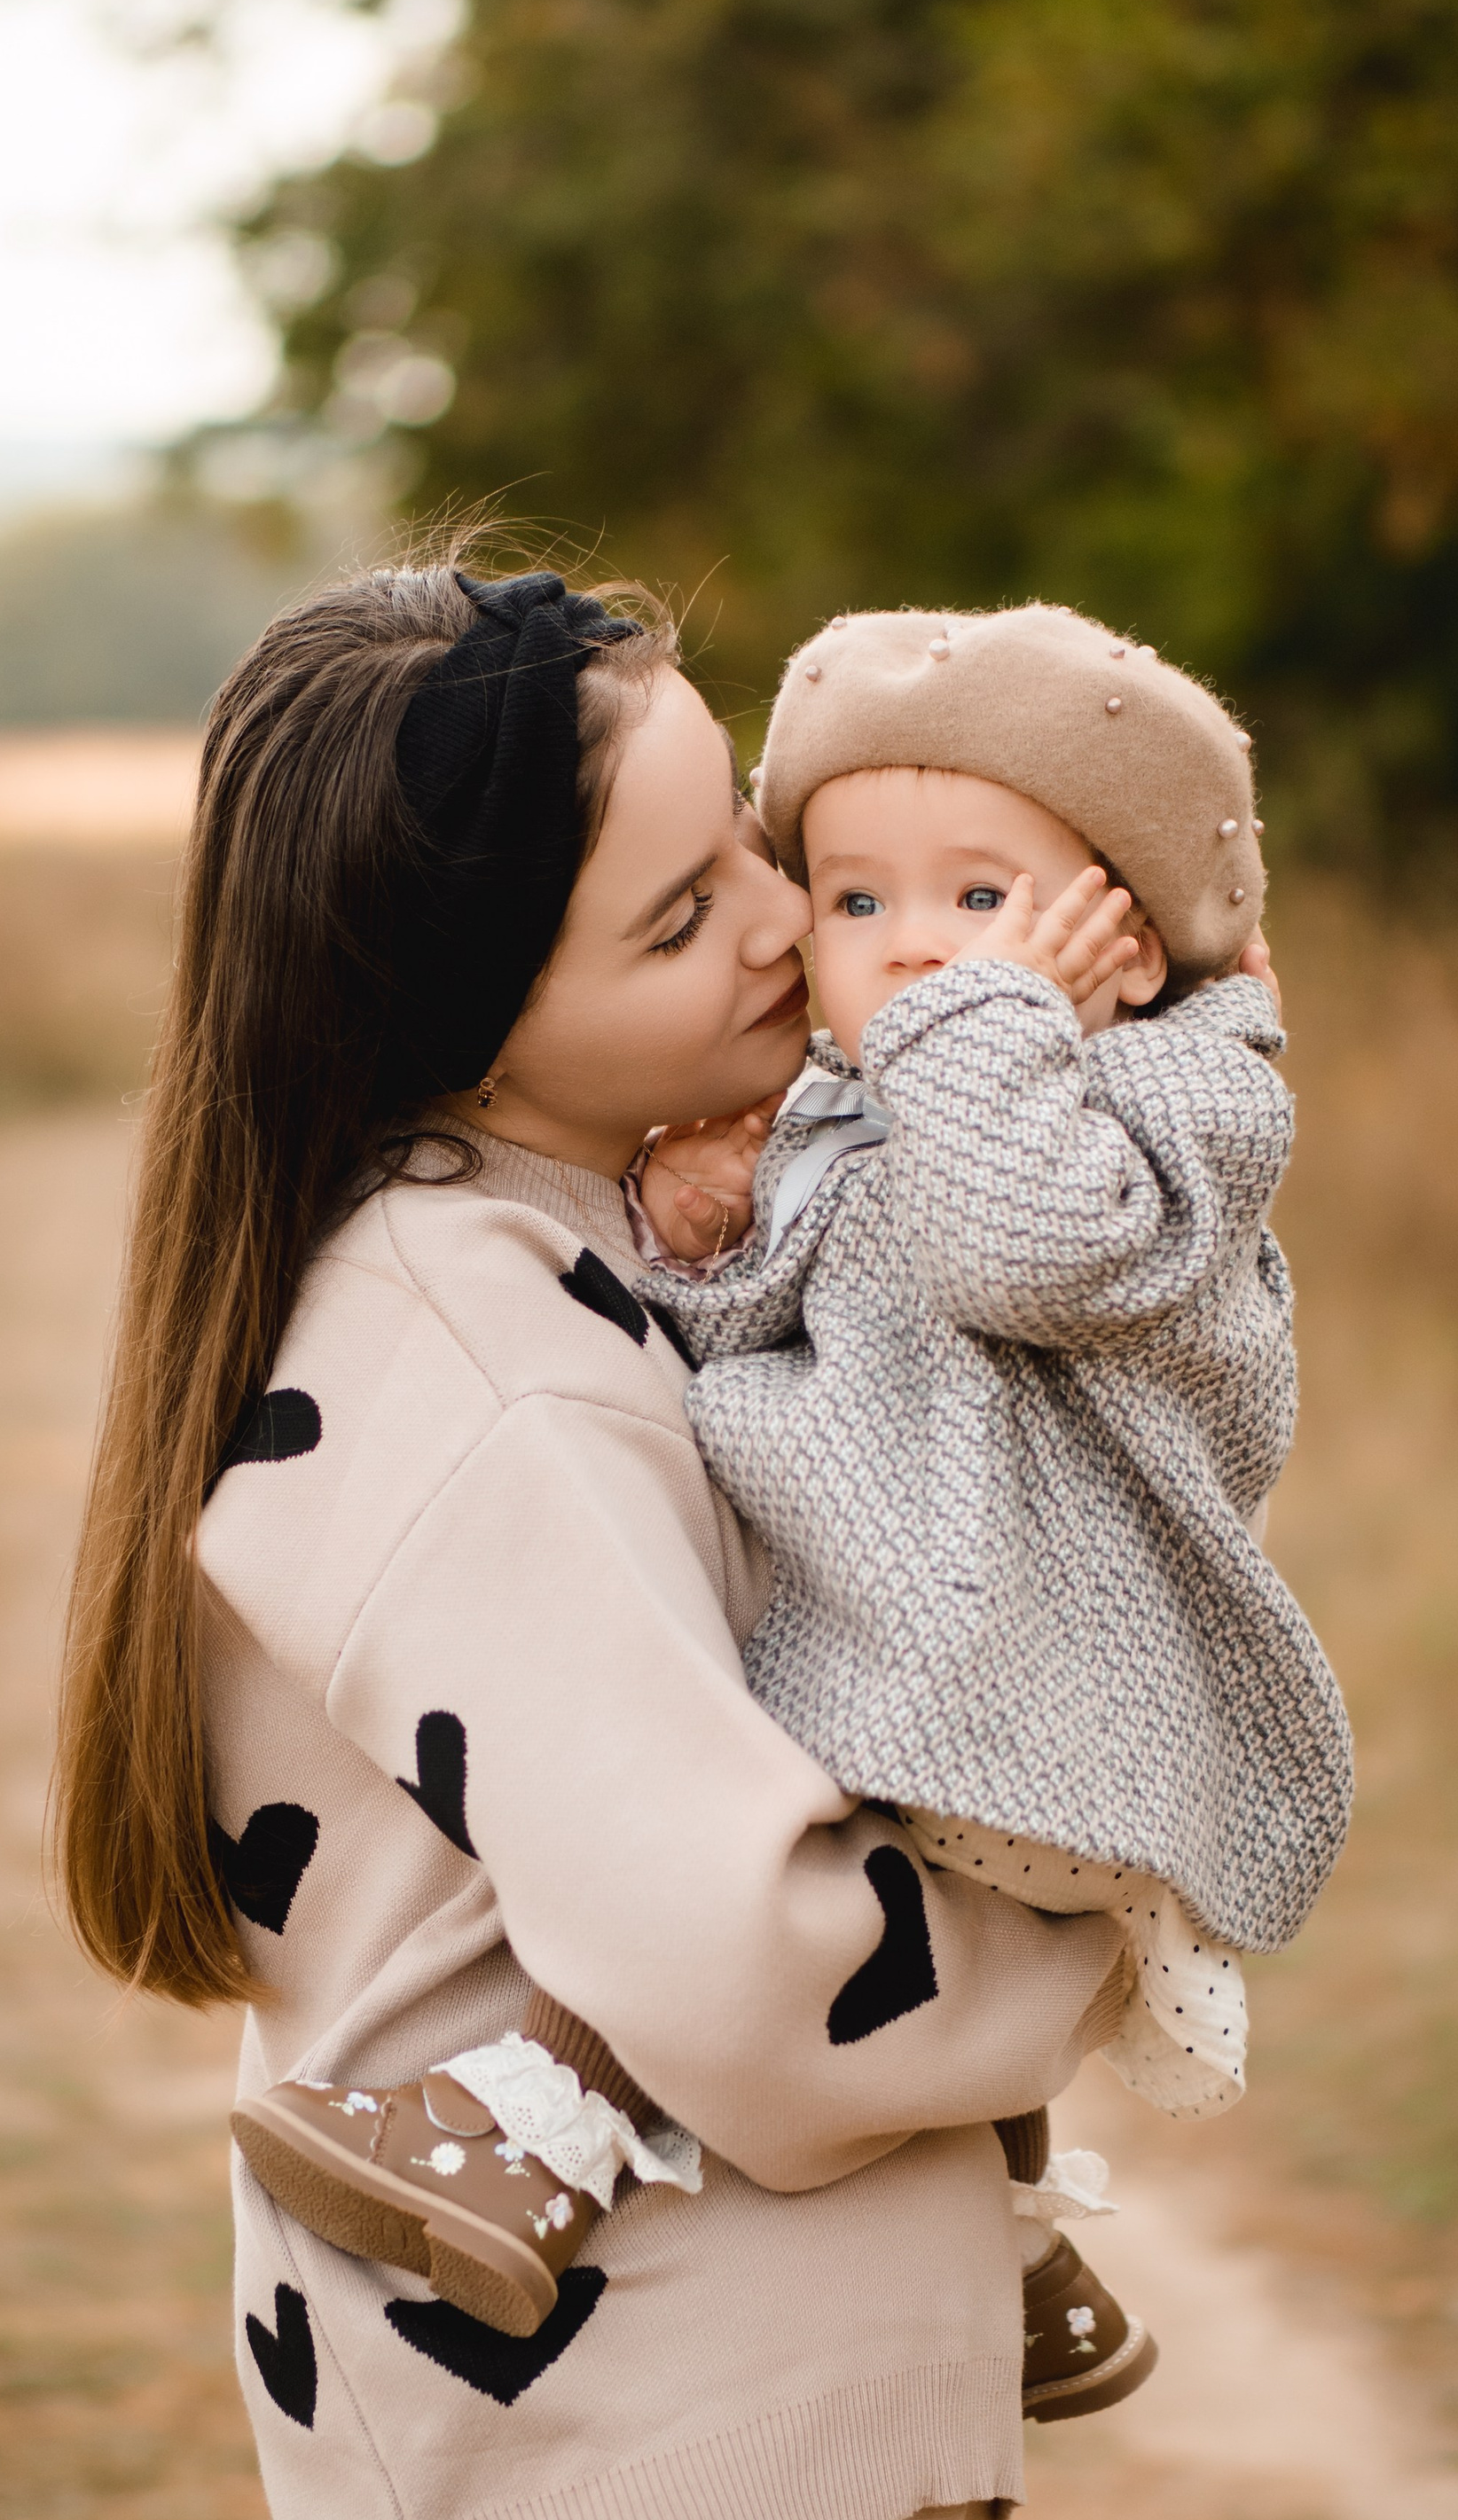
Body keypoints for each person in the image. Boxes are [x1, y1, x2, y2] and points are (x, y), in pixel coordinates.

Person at [55, 556, 1144, 2520]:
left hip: (785, 2410)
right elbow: (763, 1974)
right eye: (679, 922)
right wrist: (1106, 1909)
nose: (787, 923)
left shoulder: (634, 1234)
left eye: (750, 840)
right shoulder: (477, 1370)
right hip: (633, 2452)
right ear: (451, 1027)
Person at [238, 602, 1352, 2423]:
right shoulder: (895, 1096)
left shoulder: (1168, 1090)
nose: (907, 956)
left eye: (981, 908)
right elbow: (767, 1336)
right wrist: (710, 1231)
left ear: (1134, 941)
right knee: (809, 1755)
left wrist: (990, 1032)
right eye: (849, 897)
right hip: (963, 1644)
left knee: (734, 1853)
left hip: (1046, 1681)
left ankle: (529, 2130)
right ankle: (1007, 2238)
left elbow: (1019, 1249)